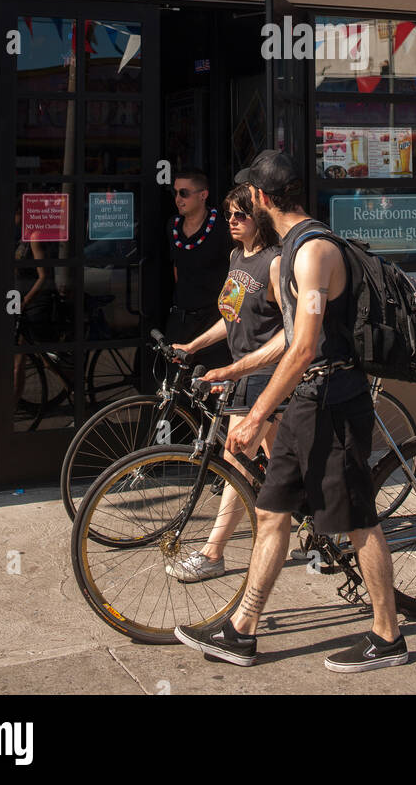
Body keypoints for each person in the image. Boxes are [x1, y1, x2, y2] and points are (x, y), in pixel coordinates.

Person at [174, 149, 408, 673]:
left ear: (261, 197)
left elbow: (302, 348)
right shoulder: (291, 248)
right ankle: (242, 631)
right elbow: (289, 340)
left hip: (334, 401)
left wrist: (256, 413)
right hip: (306, 399)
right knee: (271, 511)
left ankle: (389, 637)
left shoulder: (312, 251)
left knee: (358, 520)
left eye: (247, 198)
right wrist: (233, 370)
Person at [171, 184, 286, 582]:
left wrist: (246, 368)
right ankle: (326, 522)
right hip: (242, 370)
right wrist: (193, 345)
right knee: (283, 461)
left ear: (260, 218)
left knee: (235, 460)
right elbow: (231, 316)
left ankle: (212, 553)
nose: (233, 221)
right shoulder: (238, 257)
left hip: (266, 374)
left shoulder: (275, 262)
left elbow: (292, 329)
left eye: (241, 214)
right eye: (229, 214)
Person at [166, 167, 232, 372]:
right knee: (174, 379)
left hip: (212, 320)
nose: (178, 199)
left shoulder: (223, 227)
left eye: (184, 193)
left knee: (211, 381)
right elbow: (176, 267)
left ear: (203, 195)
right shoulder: (173, 226)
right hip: (181, 319)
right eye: (175, 192)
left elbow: (236, 272)